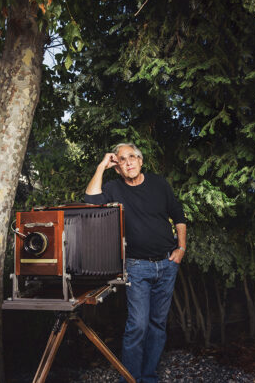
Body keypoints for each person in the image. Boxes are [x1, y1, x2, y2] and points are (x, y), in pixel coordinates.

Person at [85, 142, 187, 383]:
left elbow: (179, 216)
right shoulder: (113, 187)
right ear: (118, 168)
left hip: (167, 264)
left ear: (141, 161)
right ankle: (129, 379)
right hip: (136, 266)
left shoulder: (159, 184)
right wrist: (101, 166)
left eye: (132, 157)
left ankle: (149, 376)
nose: (129, 161)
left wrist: (181, 248)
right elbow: (90, 202)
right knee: (138, 325)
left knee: (157, 324)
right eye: (122, 159)